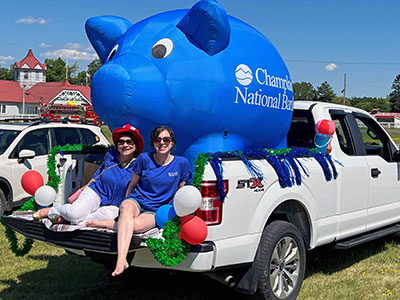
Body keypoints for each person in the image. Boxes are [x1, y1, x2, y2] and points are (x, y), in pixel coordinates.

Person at [87, 125, 191, 276]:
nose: (162, 143)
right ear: (153, 142)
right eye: (158, 139)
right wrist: (125, 201)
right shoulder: (144, 159)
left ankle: (105, 224)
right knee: (127, 207)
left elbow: (182, 193)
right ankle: (121, 259)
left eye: (166, 139)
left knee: (134, 227)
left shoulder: (181, 163)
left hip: (155, 210)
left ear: (172, 143)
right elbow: (133, 184)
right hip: (138, 201)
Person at [33, 124, 144, 225]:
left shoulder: (140, 164)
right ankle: (50, 211)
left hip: (115, 203)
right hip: (97, 191)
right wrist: (88, 184)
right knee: (75, 213)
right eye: (121, 141)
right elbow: (100, 172)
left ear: (136, 145)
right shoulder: (111, 155)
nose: (125, 145)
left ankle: (68, 220)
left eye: (129, 142)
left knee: (108, 216)